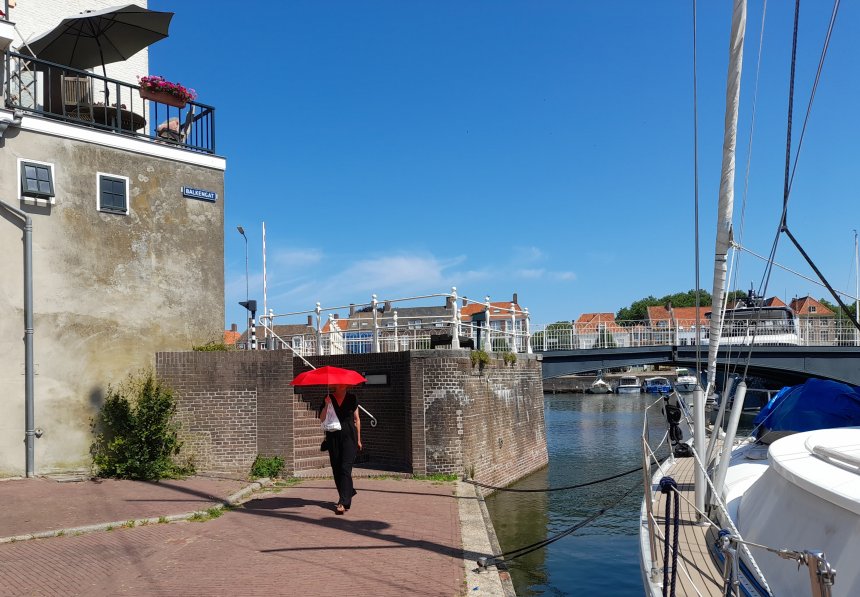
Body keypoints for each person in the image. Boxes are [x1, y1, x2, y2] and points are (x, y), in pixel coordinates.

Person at [318, 384, 362, 514]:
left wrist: (359, 439)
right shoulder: (328, 397)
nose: (343, 385)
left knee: (345, 468)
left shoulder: (352, 398)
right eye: (339, 383)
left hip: (349, 437)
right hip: (333, 437)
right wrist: (326, 405)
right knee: (336, 468)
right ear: (335, 385)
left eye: (345, 383)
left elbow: (357, 419)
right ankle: (349, 491)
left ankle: (343, 502)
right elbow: (322, 418)